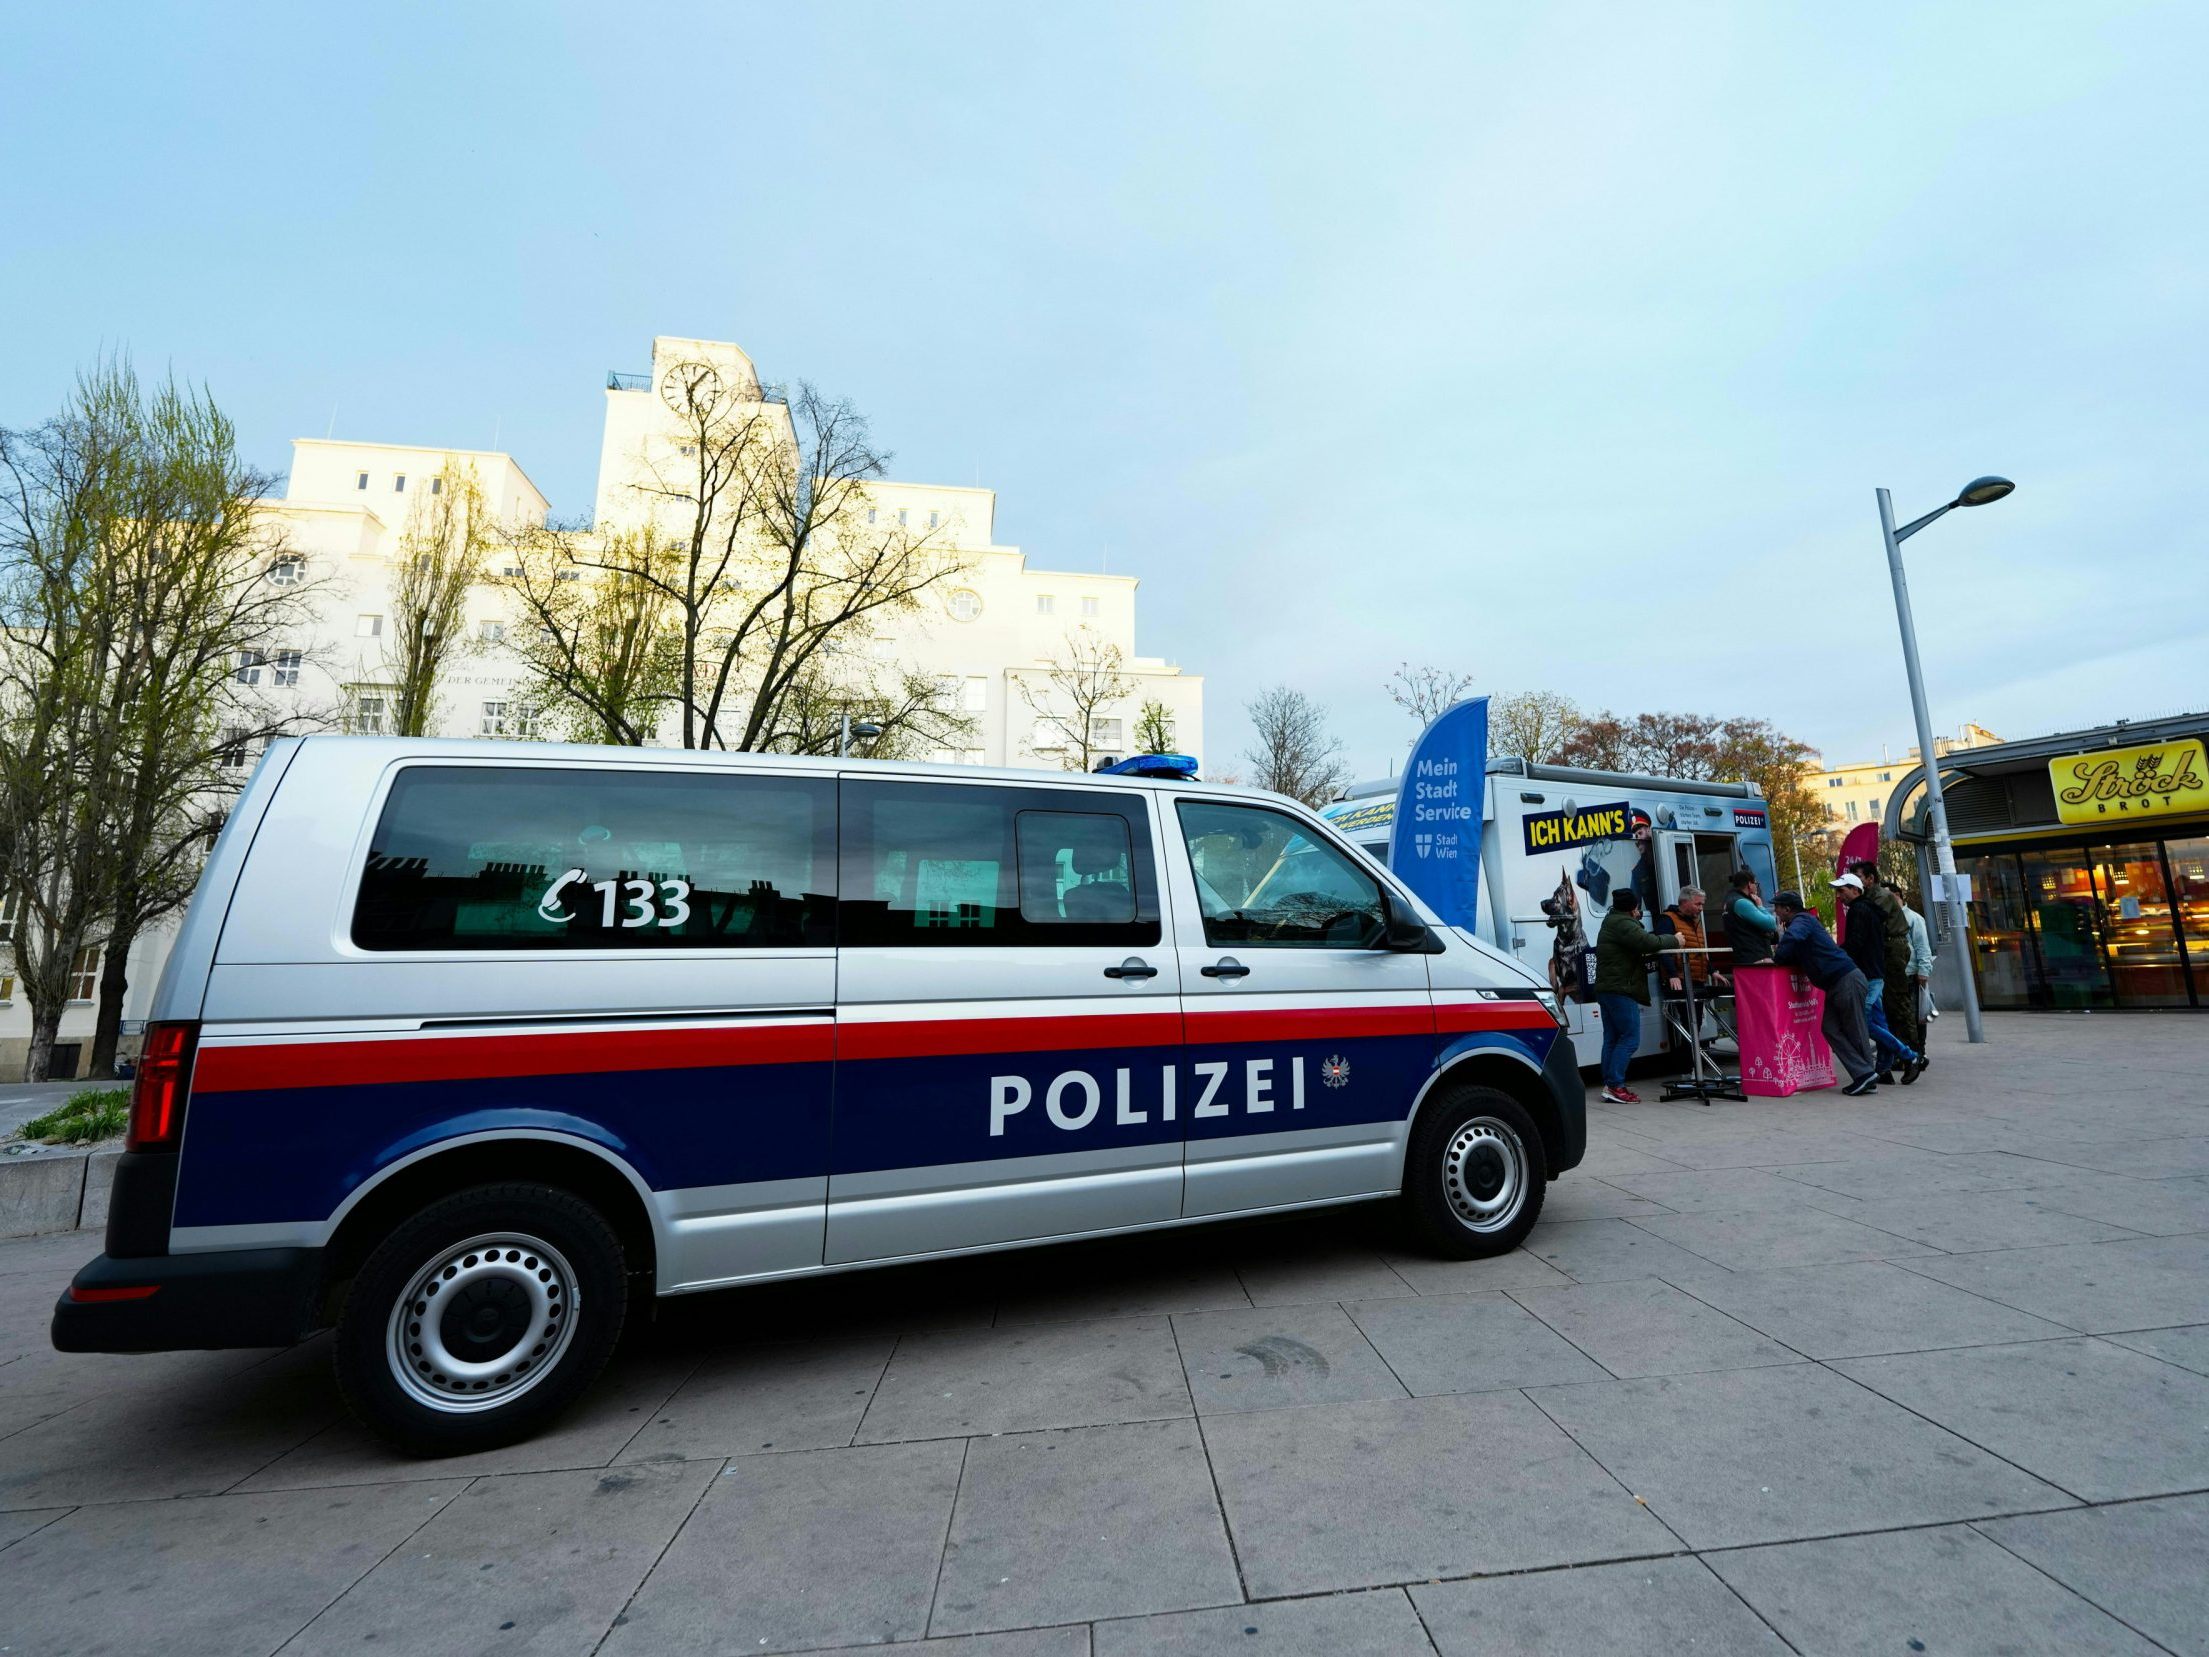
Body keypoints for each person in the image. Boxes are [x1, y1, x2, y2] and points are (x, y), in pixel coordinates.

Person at [1770, 889, 1882, 1095]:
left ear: (1788, 908)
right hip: (1837, 983)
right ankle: (1865, 1074)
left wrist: (1775, 959)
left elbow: (1793, 938)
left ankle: (1866, 1076)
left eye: (1777, 907)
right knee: (1830, 1028)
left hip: (1845, 980)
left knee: (1855, 1030)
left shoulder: (1802, 920)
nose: (1775, 911)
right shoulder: (1804, 922)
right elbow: (1798, 951)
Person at [1835, 874, 1924, 1083]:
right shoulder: (1872, 910)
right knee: (1878, 1022)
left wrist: (1836, 955)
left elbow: (1855, 943)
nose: (1839, 896)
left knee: (1863, 1023)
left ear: (1856, 890)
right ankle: (1884, 1067)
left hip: (1866, 974)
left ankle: (1910, 1056)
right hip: (1876, 972)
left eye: (1842, 891)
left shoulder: (1858, 911)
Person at [1594, 889, 1673, 1104]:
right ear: (1632, 907)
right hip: (1621, 989)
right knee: (1630, 1038)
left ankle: (1610, 1082)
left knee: (1611, 1038)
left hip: (1606, 988)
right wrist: (1674, 939)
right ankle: (1615, 1085)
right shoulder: (1623, 924)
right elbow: (1649, 943)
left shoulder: (1613, 921)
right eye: (1637, 907)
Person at [1852, 859, 1922, 1065]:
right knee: (1885, 1008)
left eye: (1858, 878)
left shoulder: (1878, 897)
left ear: (1870, 879)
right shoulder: (1870, 898)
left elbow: (1871, 924)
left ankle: (1913, 1052)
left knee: (1898, 1002)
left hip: (1893, 948)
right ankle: (1892, 1056)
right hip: (1886, 949)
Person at [1720, 868, 1779, 968]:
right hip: (1756, 958)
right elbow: (1771, 924)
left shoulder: (1729, 901)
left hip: (1743, 957)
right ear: (1749, 884)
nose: (1756, 887)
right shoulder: (1742, 903)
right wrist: (1760, 906)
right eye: (1755, 883)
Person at [1904, 901, 1937, 1026]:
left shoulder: (1913, 918)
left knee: (1918, 1014)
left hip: (1911, 973)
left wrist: (1923, 972)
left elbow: (1922, 946)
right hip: (1896, 975)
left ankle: (1919, 1044)